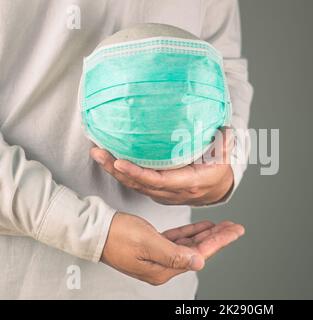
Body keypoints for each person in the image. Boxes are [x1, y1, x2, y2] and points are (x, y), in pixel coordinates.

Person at [0, 0, 253, 299]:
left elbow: (222, 63)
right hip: (21, 283)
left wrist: (223, 163)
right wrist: (92, 231)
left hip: (162, 285)